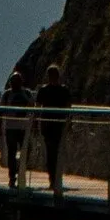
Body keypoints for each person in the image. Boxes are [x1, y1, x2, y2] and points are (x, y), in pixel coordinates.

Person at [36, 65, 74, 193]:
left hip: (54, 125)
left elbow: (37, 108)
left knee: (54, 153)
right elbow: (69, 107)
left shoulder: (46, 90)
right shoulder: (61, 90)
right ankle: (54, 178)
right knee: (53, 153)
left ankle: (54, 178)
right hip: (52, 125)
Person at [0, 71, 36, 186]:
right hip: (11, 127)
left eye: (17, 81)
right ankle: (12, 176)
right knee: (11, 152)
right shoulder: (7, 94)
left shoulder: (27, 93)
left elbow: (32, 106)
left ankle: (20, 170)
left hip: (24, 127)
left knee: (27, 150)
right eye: (13, 81)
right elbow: (1, 110)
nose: (15, 83)